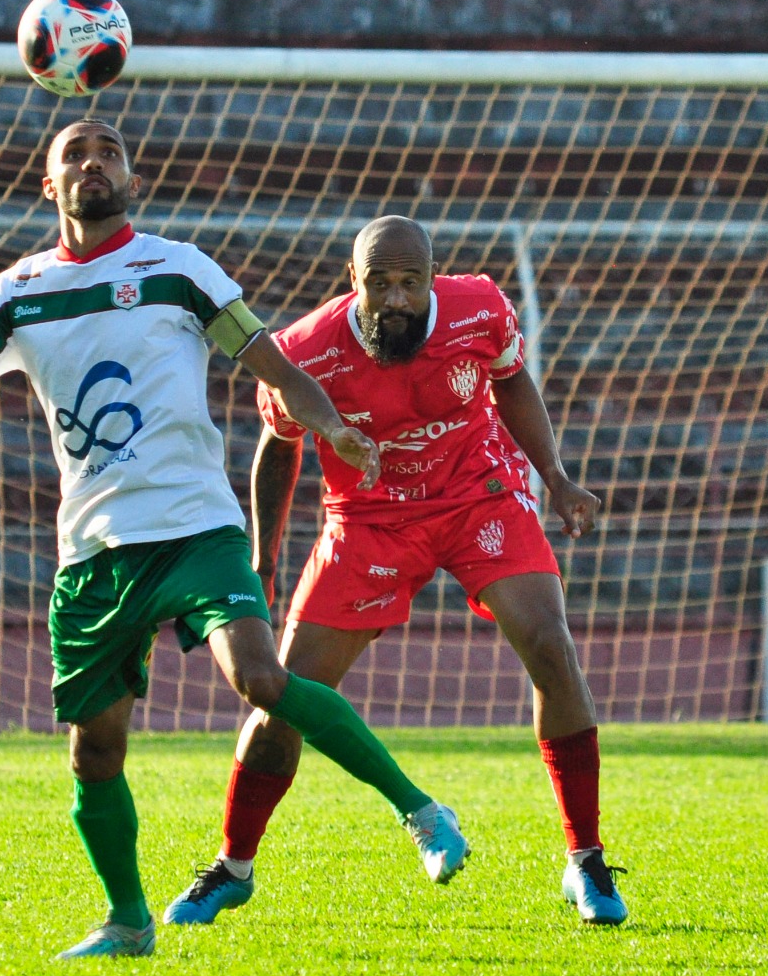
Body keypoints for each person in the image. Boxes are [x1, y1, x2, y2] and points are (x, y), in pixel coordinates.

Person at [0, 123, 468, 959]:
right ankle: (129, 922)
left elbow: (275, 366)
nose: (92, 162)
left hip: (197, 525)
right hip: (98, 548)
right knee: (95, 750)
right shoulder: (16, 293)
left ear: (132, 173)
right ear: (48, 183)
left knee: (260, 677)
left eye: (108, 150)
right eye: (75, 153)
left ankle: (421, 811)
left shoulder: (180, 269)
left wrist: (334, 429)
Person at [163, 215, 628, 928]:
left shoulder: (480, 306)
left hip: (479, 495)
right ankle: (233, 866)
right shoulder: (304, 351)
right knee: (284, 694)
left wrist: (557, 478)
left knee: (550, 644)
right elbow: (279, 447)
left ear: (432, 277)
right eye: (379, 283)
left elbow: (511, 383)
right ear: (355, 282)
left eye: (411, 281)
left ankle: (586, 861)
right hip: (368, 518)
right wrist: (262, 560)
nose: (397, 298)